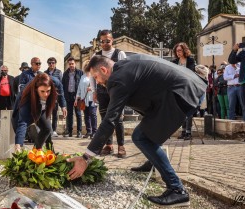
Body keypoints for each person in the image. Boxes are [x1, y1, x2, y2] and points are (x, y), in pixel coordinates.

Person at [66, 54, 206, 207]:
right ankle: (154, 161)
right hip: (191, 85)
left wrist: (86, 157)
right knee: (146, 132)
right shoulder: (126, 65)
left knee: (140, 137)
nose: (97, 82)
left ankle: (177, 190)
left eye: (96, 77)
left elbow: (110, 120)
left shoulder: (117, 79)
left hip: (183, 93)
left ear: (104, 69)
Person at [94, 29, 127, 158]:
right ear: (100, 42)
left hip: (116, 92)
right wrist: (94, 91)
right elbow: (92, 75)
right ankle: (109, 145)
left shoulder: (120, 54)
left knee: (118, 119)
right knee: (104, 119)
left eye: (108, 40)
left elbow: (125, 73)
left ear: (112, 40)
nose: (105, 43)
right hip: (101, 91)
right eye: (103, 41)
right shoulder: (96, 56)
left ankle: (121, 145)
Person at [13, 73, 57, 152]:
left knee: (47, 128)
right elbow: (22, 122)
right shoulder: (27, 96)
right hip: (25, 109)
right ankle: (24, 149)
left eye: (48, 91)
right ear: (36, 89)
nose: (46, 94)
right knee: (19, 130)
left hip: (41, 109)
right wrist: (18, 145)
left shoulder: (55, 84)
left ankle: (36, 151)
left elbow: (61, 94)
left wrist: (64, 106)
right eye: (42, 91)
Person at [172, 42, 196, 141]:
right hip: (178, 89)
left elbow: (190, 72)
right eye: (176, 51)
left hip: (188, 88)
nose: (178, 52)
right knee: (181, 111)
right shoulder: (174, 61)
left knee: (188, 110)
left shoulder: (190, 60)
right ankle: (183, 131)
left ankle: (188, 132)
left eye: (180, 50)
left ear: (184, 50)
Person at [62, 57, 83, 138]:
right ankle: (69, 131)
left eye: (72, 64)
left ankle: (79, 131)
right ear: (68, 64)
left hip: (77, 96)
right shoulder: (65, 73)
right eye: (70, 64)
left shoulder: (80, 72)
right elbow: (63, 85)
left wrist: (80, 95)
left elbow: (82, 84)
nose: (71, 65)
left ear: (75, 64)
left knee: (78, 114)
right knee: (69, 114)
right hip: (68, 96)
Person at [75, 61, 97, 139]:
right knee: (86, 116)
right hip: (84, 99)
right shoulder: (82, 77)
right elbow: (79, 88)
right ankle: (89, 131)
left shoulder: (94, 76)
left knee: (93, 114)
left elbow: (98, 86)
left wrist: (91, 88)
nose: (87, 67)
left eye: (88, 65)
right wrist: (77, 98)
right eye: (85, 66)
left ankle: (94, 132)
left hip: (92, 98)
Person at [44, 57, 63, 137]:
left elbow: (61, 84)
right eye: (50, 63)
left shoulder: (59, 72)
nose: (51, 64)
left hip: (55, 96)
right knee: (47, 114)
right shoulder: (45, 73)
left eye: (53, 63)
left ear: (55, 64)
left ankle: (54, 130)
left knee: (55, 114)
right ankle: (48, 130)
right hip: (46, 96)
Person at [0, 65, 15, 132]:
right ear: (0, 71)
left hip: (10, 99)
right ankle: (1, 130)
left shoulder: (12, 78)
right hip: (1, 99)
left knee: (11, 113)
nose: (4, 71)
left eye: (5, 70)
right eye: (2, 70)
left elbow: (15, 89)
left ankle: (11, 130)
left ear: (7, 71)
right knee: (0, 114)